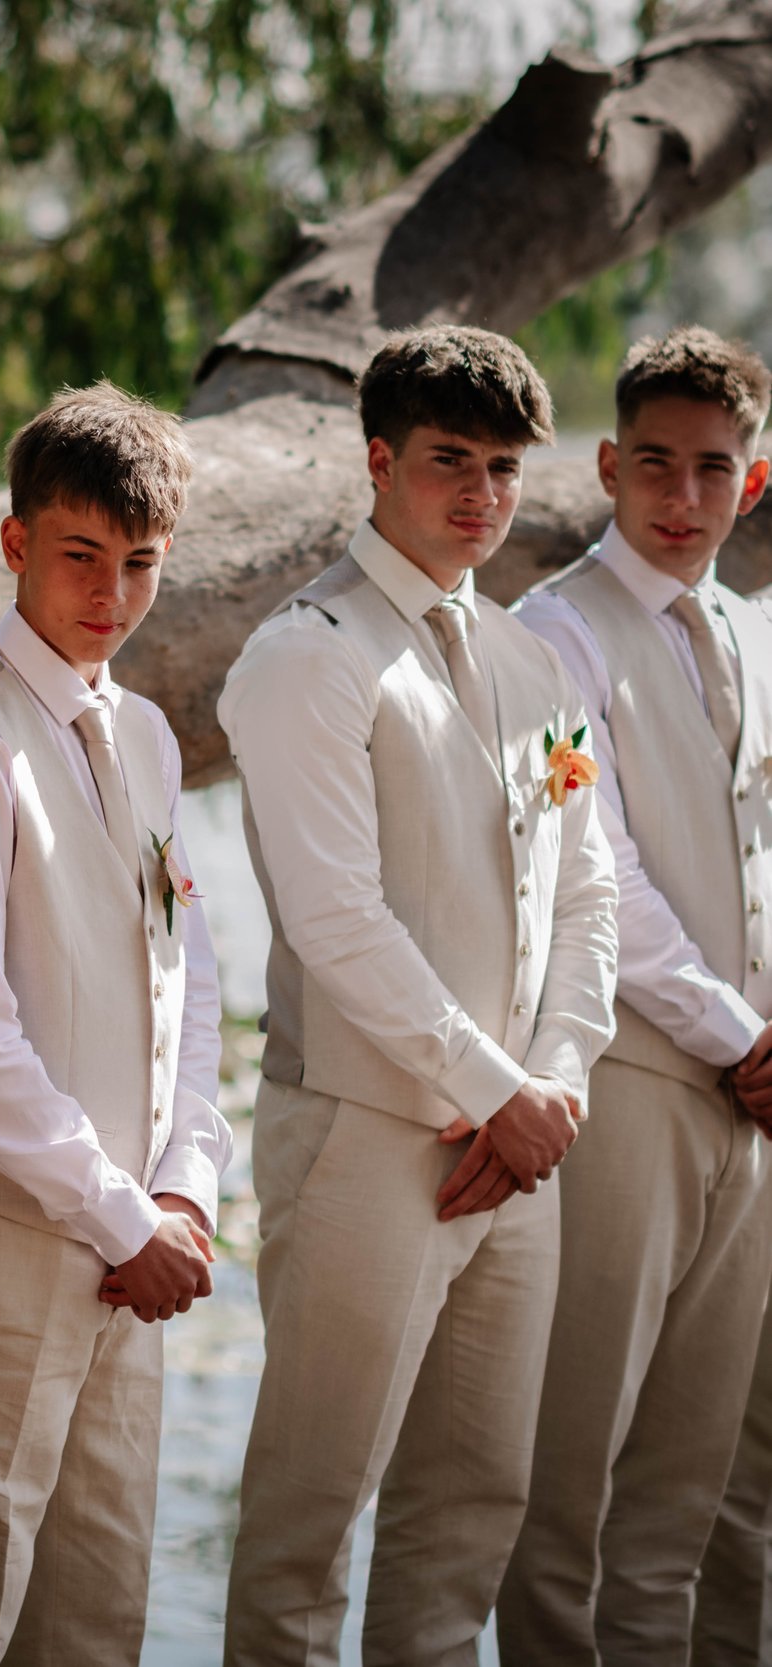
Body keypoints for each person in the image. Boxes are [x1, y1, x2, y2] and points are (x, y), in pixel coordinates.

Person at [218, 325, 618, 1665]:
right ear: (379, 459)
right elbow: (338, 919)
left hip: (519, 1152)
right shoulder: (306, 655)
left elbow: (587, 896)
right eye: (452, 460)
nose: (482, 495)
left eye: (504, 467)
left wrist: (550, 1084)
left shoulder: (533, 663)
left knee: (467, 1524)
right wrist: (492, 1093)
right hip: (365, 1138)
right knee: (306, 1528)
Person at [0, 383, 230, 1666]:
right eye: (80, 554)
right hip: (6, 1236)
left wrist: (184, 1186)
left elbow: (187, 979)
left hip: (135, 1237)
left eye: (139, 562)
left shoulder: (141, 732)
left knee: (97, 1613)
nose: (110, 593)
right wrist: (115, 1213)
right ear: (15, 541)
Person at [493, 327, 772, 1663]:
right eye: (652, 463)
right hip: (631, 1090)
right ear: (606, 466)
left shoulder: (756, 635)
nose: (680, 494)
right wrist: (743, 1035)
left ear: (752, 483)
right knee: (570, 1497)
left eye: (712, 468)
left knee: (684, 1499)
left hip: (756, 1109)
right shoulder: (548, 635)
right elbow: (589, 865)